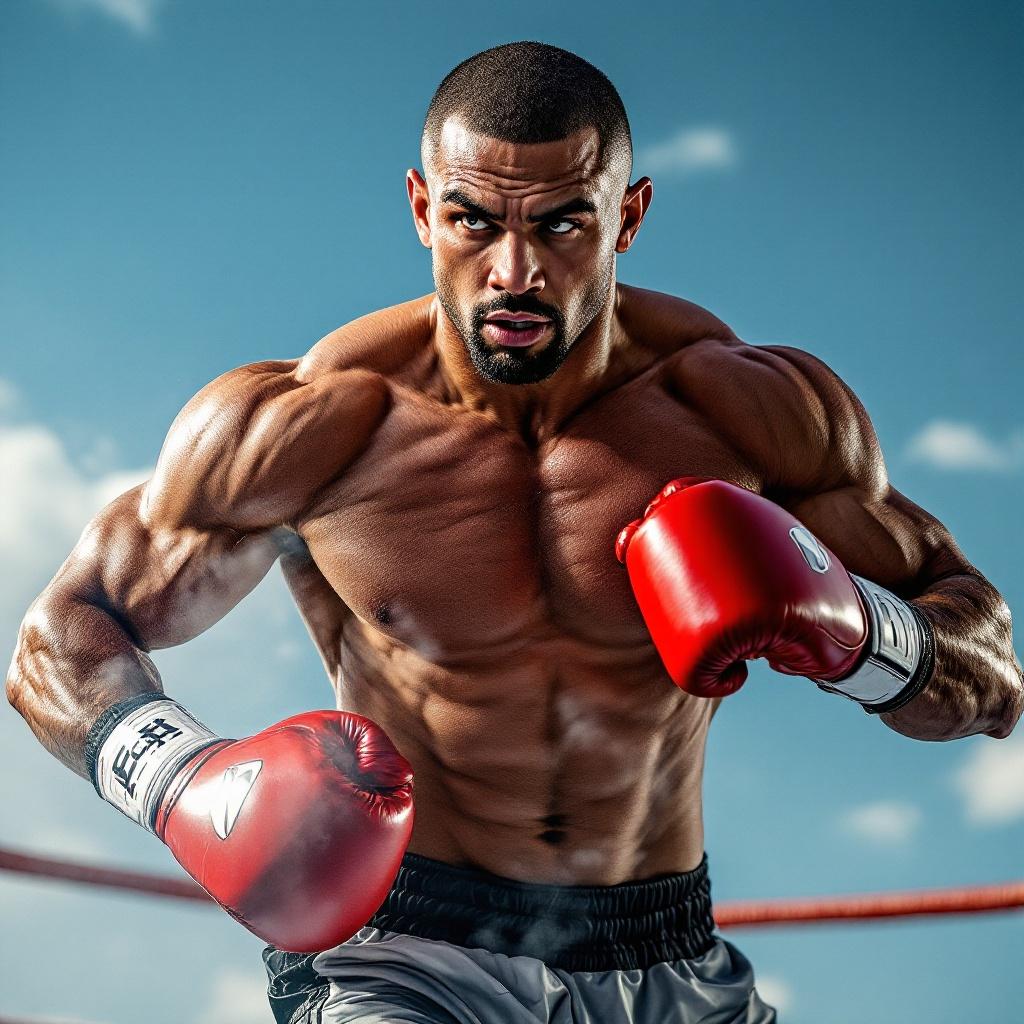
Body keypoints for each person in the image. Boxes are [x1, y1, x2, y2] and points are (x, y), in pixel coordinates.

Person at [7, 40, 1022, 1024]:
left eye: (562, 225)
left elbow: (990, 675)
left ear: (628, 216)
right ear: (419, 209)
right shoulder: (310, 430)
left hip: (663, 950)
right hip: (409, 951)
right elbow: (58, 640)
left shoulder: (746, 412)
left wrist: (855, 633)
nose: (514, 270)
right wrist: (182, 778)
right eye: (472, 220)